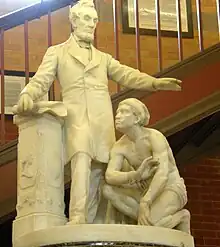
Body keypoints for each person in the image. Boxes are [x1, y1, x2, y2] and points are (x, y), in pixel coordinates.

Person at [16, 0, 183, 225]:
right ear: (73, 21)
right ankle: (77, 218)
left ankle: (98, 223)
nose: (91, 24)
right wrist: (28, 94)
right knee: (81, 162)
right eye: (86, 19)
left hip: (102, 120)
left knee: (101, 172)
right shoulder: (57, 53)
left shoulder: (103, 59)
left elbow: (126, 74)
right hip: (76, 118)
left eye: (94, 20)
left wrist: (154, 83)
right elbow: (41, 80)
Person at [103, 98, 190, 233]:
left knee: (149, 226)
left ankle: (181, 217)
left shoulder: (154, 137)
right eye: (117, 112)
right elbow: (110, 176)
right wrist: (136, 175)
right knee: (108, 190)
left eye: (124, 112)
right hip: (144, 191)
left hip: (170, 188)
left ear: (137, 118)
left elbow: (162, 174)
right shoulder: (120, 146)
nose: (117, 116)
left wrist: (146, 201)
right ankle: (146, 217)